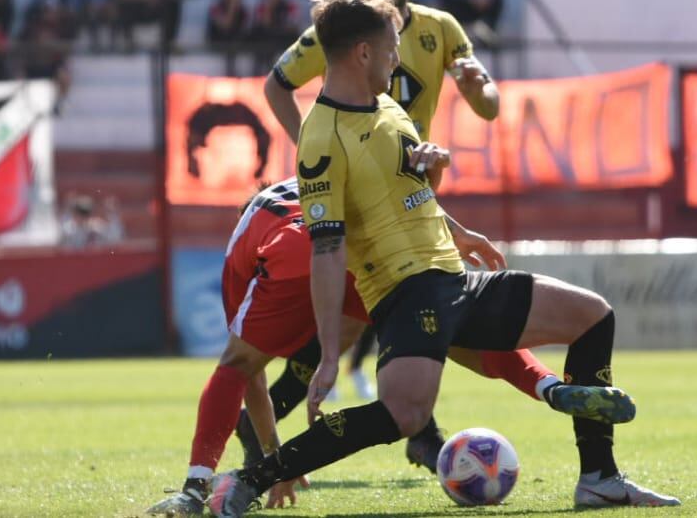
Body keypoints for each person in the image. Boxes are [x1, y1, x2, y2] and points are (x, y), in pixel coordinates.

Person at [208, 0, 680, 516]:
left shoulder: (385, 105)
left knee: (592, 315)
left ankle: (599, 478)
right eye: (391, 48)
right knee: (405, 414)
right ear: (363, 52)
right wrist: (328, 354)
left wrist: (452, 217)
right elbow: (327, 250)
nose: (397, 58)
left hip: (453, 276)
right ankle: (249, 479)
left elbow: (406, 187)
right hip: (405, 292)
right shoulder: (321, 139)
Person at [147, 175, 562, 515]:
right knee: (449, 329)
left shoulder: (244, 236)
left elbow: (246, 375)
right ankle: (548, 385)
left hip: (292, 252)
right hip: (364, 250)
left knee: (236, 364)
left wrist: (273, 457)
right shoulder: (319, 177)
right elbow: (400, 194)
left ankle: (194, 488)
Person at [259, 0, 499, 444]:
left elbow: (489, 108)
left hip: (414, 190)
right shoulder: (347, 32)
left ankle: (413, 428)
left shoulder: (441, 27)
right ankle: (419, 430)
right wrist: (315, 147)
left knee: (382, 318)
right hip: (363, 198)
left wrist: (482, 88)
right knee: (378, 317)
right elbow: (276, 84)